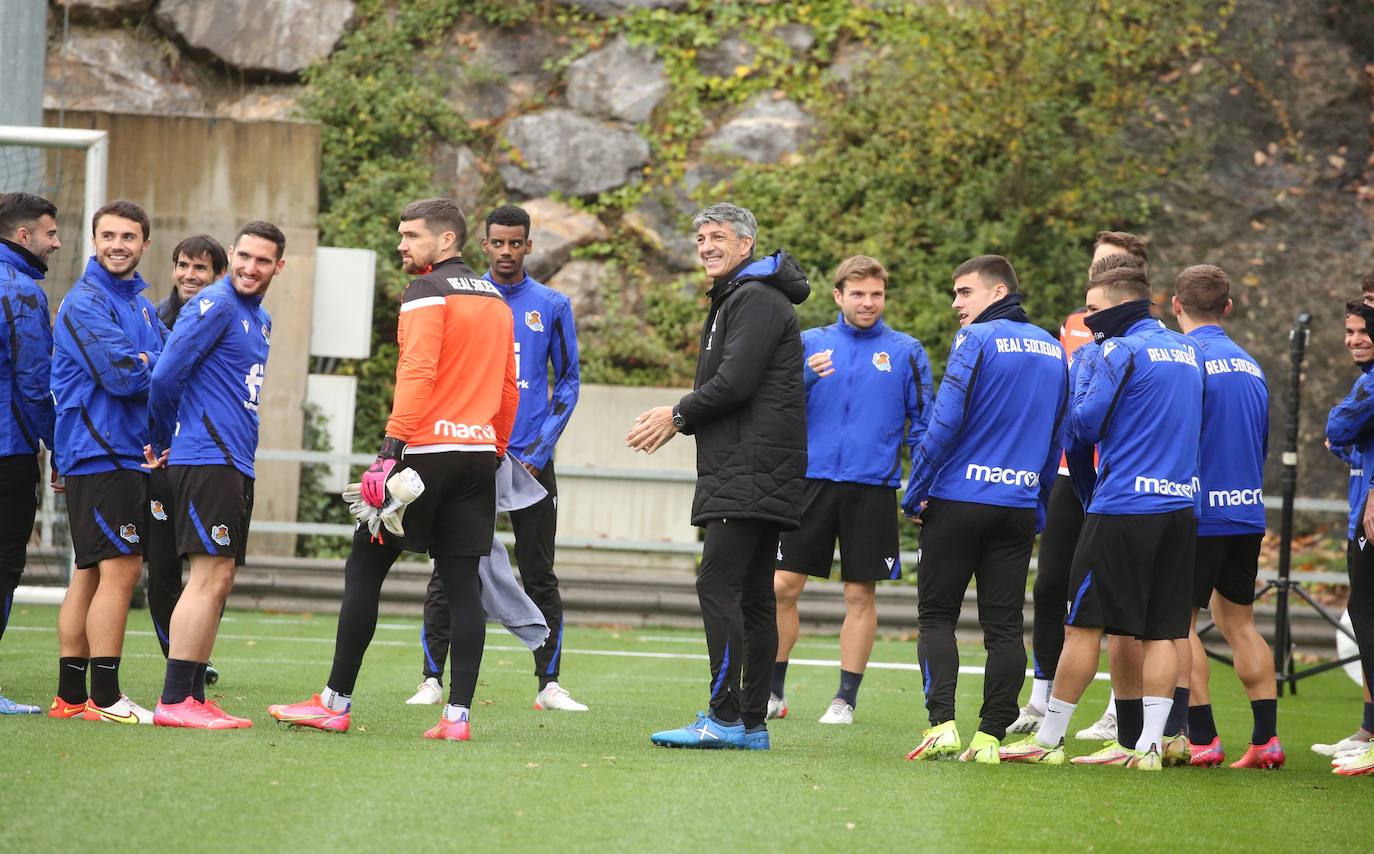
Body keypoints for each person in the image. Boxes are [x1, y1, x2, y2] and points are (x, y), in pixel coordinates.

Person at [269, 198, 518, 742]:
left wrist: (389, 450)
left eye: (411, 235)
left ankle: (334, 703)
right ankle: (457, 719)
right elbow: (507, 386)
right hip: (477, 456)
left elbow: (418, 371)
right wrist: (494, 448)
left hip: (422, 456)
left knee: (364, 570)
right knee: (462, 585)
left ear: (446, 240)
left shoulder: (426, 290)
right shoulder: (496, 298)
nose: (401, 245)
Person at [1001, 262, 1203, 770]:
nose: (1087, 319)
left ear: (1119, 303)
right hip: (1179, 508)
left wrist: (1081, 378)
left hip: (1123, 506)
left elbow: (1084, 426)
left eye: (1093, 308)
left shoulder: (1118, 350)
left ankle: (1048, 738)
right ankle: (1149, 746)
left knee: (1083, 626)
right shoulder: (1188, 351)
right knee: (1163, 631)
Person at [627, 202, 808, 751]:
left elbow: (735, 382)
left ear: (746, 244)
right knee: (753, 594)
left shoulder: (754, 298)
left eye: (718, 237)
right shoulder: (743, 295)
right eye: (701, 238)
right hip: (753, 466)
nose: (706, 246)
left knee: (717, 583)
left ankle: (726, 716)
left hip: (749, 467)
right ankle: (751, 725)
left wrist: (677, 415)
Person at [408, 203, 586, 713]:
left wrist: (539, 451)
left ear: (528, 246)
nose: (506, 251)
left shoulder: (551, 304)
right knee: (448, 569)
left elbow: (567, 382)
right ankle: (431, 678)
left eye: (516, 243)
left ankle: (549, 683)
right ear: (483, 245)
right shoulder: (463, 296)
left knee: (539, 571)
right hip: (470, 453)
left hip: (530, 461)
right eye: (498, 242)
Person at [901, 255, 1068, 764]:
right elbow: (1058, 435)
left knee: (936, 616)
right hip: (1016, 506)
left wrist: (915, 490)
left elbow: (945, 421)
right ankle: (990, 737)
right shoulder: (1053, 346)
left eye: (964, 292)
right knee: (1004, 627)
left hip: (959, 499)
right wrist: (1038, 502)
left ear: (998, 292)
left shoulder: (975, 339)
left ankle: (942, 726)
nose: (956, 303)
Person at [770, 254, 933, 725]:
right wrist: (803, 377)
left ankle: (844, 700)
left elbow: (924, 424)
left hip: (872, 487)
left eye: (876, 294)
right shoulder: (808, 343)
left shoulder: (906, 351)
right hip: (809, 483)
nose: (868, 302)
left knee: (860, 594)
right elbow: (774, 404)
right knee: (781, 587)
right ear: (838, 295)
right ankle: (772, 693)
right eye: (858, 294)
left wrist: (923, 484)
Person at [145, 223, 283, 729]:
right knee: (205, 578)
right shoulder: (215, 304)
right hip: (205, 457)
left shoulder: (259, 318)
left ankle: (195, 697)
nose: (251, 267)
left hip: (233, 461)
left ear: (278, 267)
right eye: (244, 256)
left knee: (220, 578)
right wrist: (162, 439)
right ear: (231, 255)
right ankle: (174, 699)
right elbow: (165, 376)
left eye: (263, 260)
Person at [48, 200, 165, 724]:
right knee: (121, 569)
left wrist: (148, 360)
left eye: (128, 237)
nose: (118, 245)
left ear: (144, 244)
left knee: (90, 573)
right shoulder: (85, 302)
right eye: (109, 236)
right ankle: (106, 698)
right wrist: (149, 362)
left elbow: (167, 365)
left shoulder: (141, 305)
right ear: (93, 241)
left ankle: (71, 698)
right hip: (101, 451)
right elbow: (124, 376)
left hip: (123, 452)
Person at [1169, 264, 1281, 768]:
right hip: (1246, 511)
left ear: (1176, 305)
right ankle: (1266, 739)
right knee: (1240, 623)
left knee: (1179, 624)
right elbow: (1262, 442)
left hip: (1199, 512)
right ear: (1228, 307)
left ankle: (1203, 737)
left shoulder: (1184, 358)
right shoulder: (1252, 365)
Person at [144, 235, 228, 671]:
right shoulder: (154, 317)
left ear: (218, 274)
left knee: (214, 567)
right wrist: (160, 443)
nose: (189, 275)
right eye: (183, 265)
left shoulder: (230, 316)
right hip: (161, 461)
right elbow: (154, 383)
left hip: (210, 460)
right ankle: (173, 657)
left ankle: (197, 657)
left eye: (200, 268)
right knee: (162, 568)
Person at [1007, 308, 1092, 735]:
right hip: (1065, 472)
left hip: (1116, 478)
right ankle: (1040, 698)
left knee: (1116, 596)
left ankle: (1120, 712)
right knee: (1048, 587)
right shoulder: (1073, 323)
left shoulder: (1151, 335)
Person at [0, 192, 60, 715]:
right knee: (3, 564)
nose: (56, 243)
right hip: (7, 452)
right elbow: (34, 384)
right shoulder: (21, 291)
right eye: (50, 233)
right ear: (24, 235)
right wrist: (60, 446)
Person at [1325, 300, 1374, 777]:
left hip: (1369, 519)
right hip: (1360, 514)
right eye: (1350, 330)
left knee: (1367, 614)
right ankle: (1369, 731)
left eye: (1363, 330)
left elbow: (1338, 426)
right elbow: (1342, 437)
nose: (1354, 339)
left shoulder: (1370, 383)